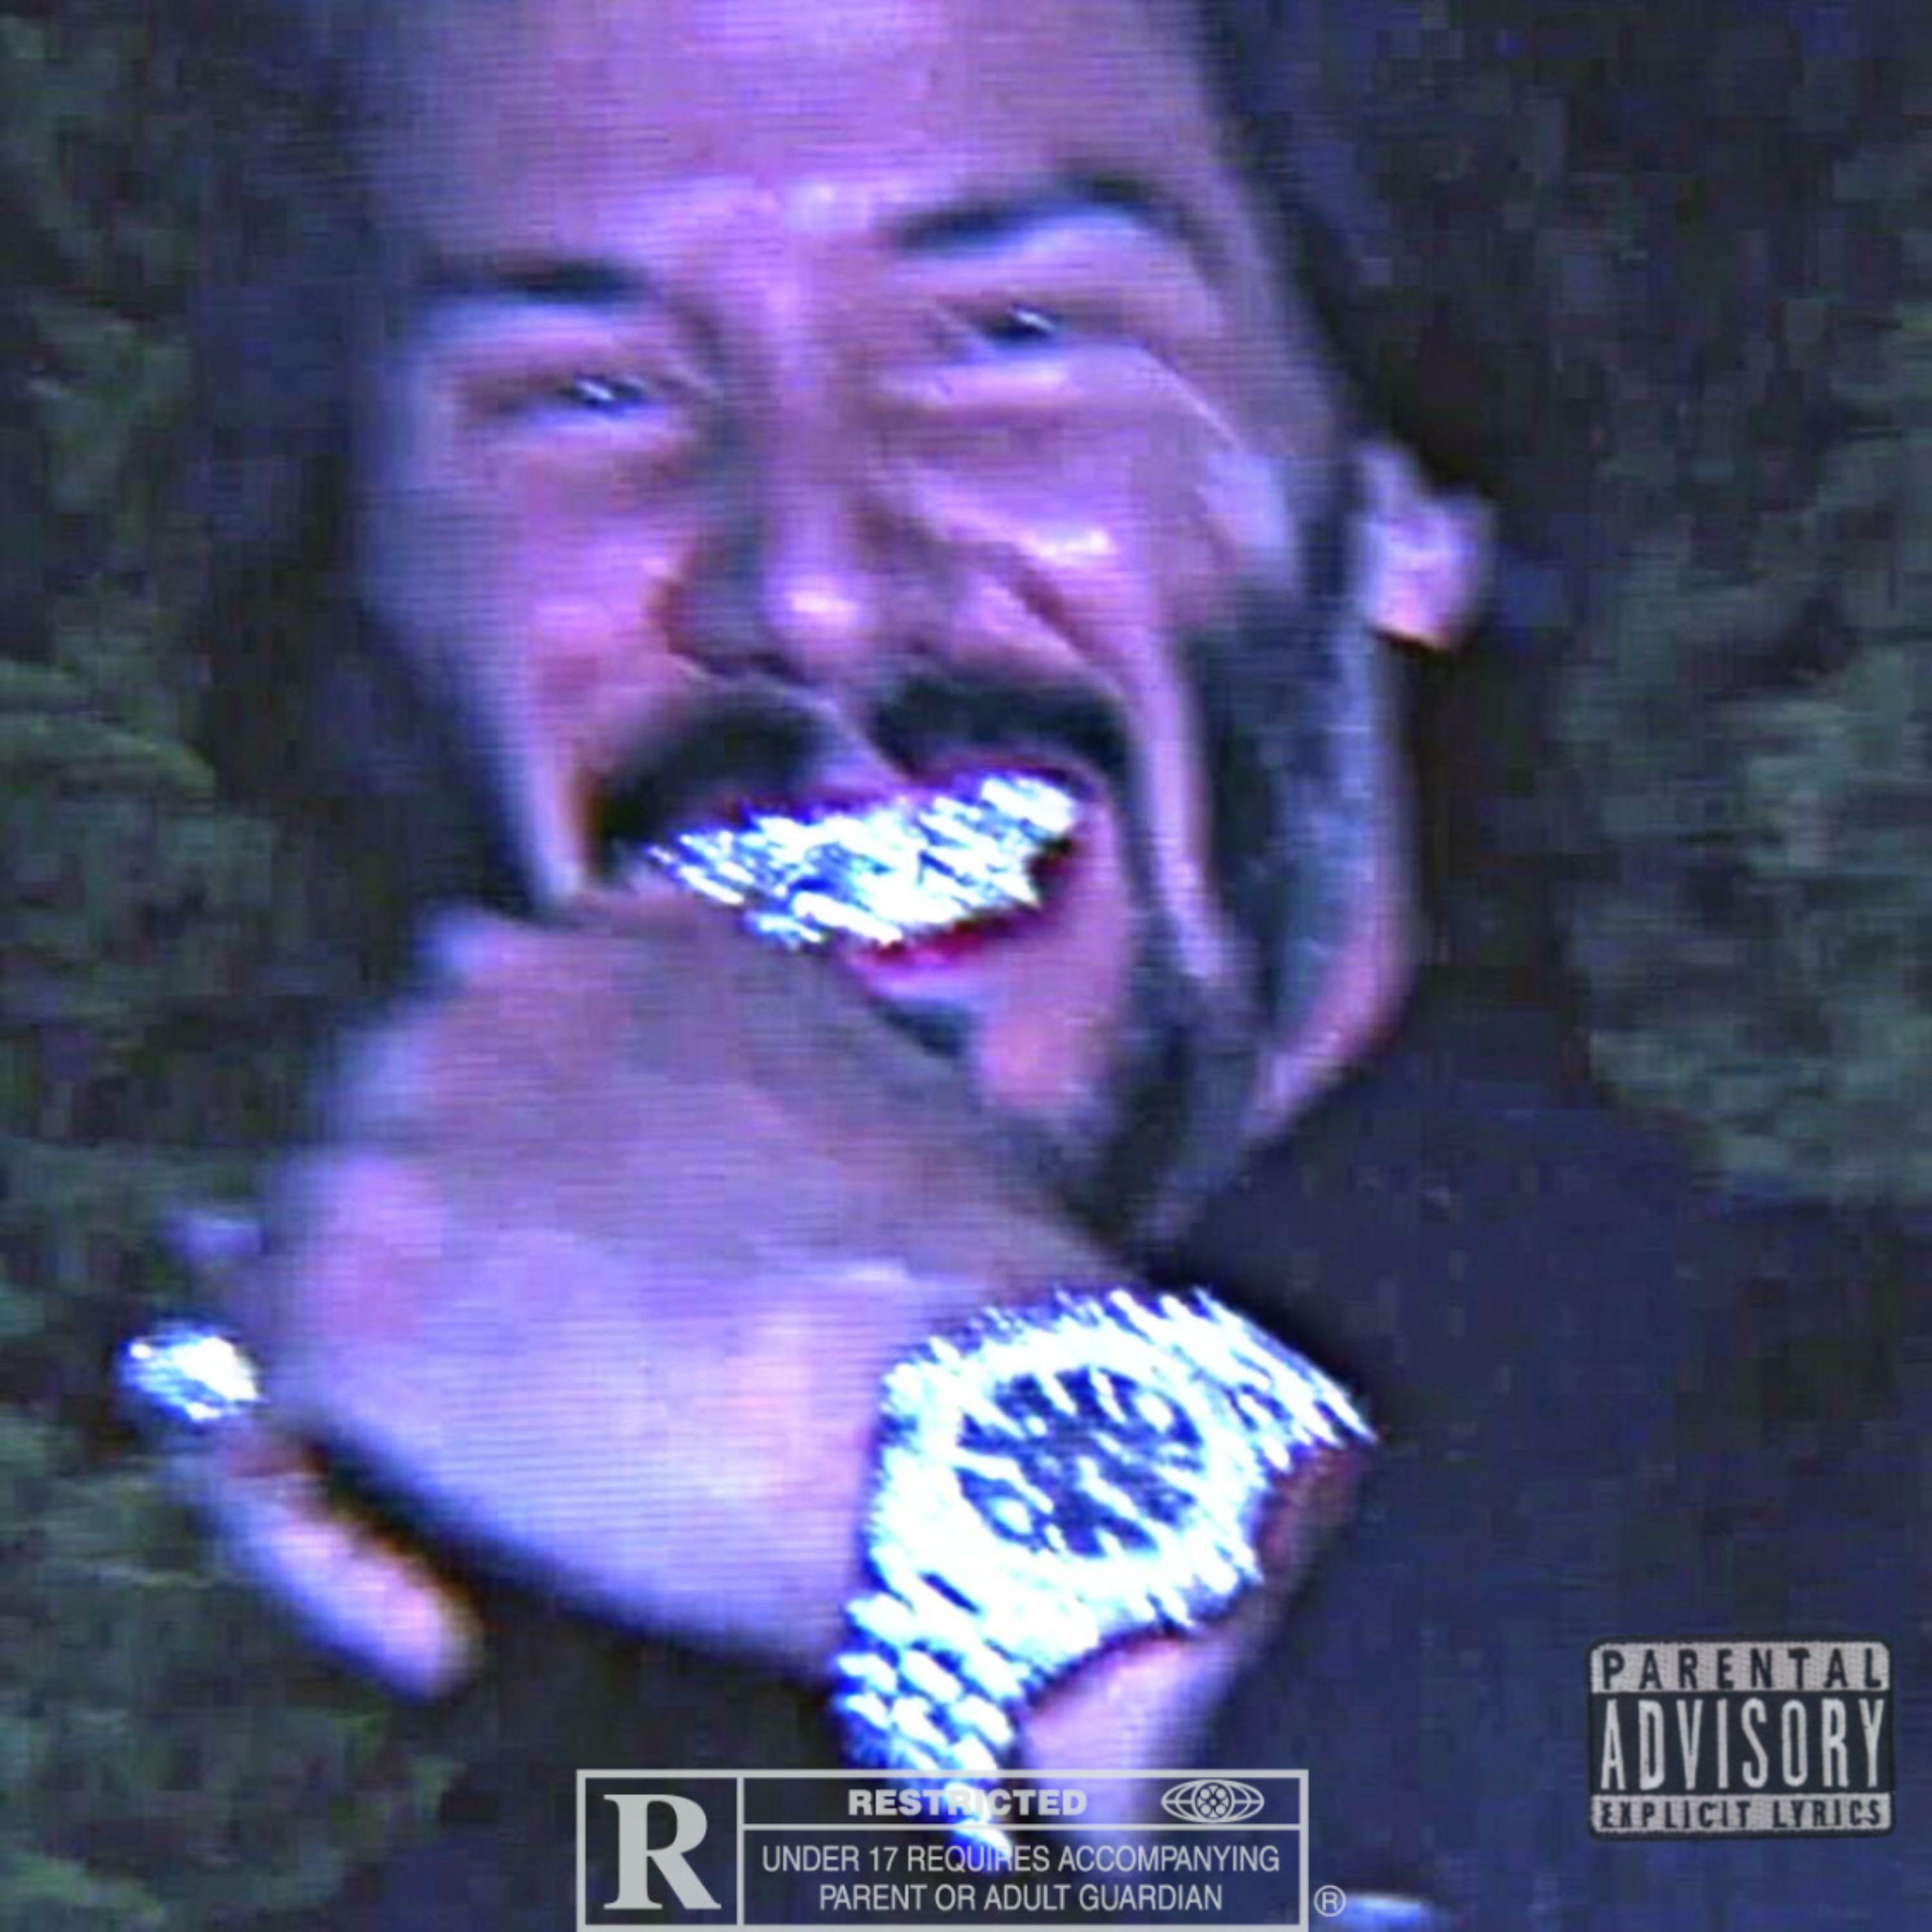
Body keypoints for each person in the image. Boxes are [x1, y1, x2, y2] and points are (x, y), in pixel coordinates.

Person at [162, 1, 1925, 1926]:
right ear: (376, 592)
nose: (809, 586)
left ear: (1401, 499)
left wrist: (997, 1481)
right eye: (590, 394)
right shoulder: (580, 1860)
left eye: (1008, 337)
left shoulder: (1824, 1568)